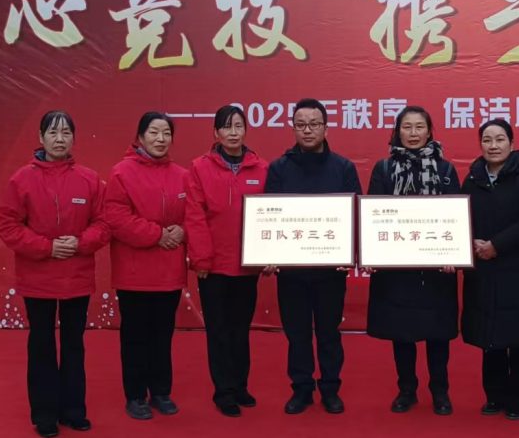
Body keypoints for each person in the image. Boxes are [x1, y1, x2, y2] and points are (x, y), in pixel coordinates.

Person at [0, 110, 109, 438]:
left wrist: (80, 242)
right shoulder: (22, 179)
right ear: (41, 138)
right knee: (42, 344)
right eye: (53, 133)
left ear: (74, 138)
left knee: (74, 344)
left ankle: (73, 410)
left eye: (66, 133)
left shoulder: (89, 179)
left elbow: (104, 223)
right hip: (38, 278)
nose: (60, 139)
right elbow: (7, 224)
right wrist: (46, 247)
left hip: (76, 275)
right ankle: (44, 414)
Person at [265, 98, 362, 415]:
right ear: (293, 128)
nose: (307, 130)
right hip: (291, 272)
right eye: (301, 125)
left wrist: (350, 252)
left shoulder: (343, 168)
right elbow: (268, 216)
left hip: (330, 270)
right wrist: (268, 253)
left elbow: (356, 214)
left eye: (314, 124)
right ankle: (302, 388)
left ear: (325, 128)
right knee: (297, 335)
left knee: (329, 333)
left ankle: (331, 388)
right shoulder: (278, 169)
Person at [365, 106, 460, 416]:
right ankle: (406, 390)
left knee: (438, 334)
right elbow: (373, 215)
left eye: (420, 127)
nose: (414, 133)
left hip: (436, 268)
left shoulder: (445, 170)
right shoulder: (384, 169)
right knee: (401, 332)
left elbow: (457, 218)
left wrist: (455, 254)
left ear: (430, 131)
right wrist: (370, 253)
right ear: (398, 131)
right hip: (397, 269)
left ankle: (440, 391)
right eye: (407, 127)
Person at [184, 105, 270, 417]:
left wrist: (267, 255)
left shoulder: (261, 168)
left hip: (247, 265)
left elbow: (271, 215)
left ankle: (240, 385)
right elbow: (194, 216)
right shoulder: (199, 168)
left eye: (238, 126)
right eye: (226, 127)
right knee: (219, 330)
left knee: (240, 328)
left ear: (246, 130)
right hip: (213, 267)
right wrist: (202, 259)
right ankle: (223, 391)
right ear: (216, 133)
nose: (233, 133)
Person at [460, 118, 519, 421]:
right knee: (490, 335)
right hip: (483, 268)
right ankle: (494, 396)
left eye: (499, 140)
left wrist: (496, 245)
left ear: (511, 143)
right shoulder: (473, 179)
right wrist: (469, 241)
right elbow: (460, 216)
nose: (493, 146)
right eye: (487, 140)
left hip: (518, 269)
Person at [104, 112, 189, 422]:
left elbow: (193, 213)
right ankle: (136, 395)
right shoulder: (121, 173)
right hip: (134, 273)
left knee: (163, 334)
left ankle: (161, 392)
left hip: (169, 272)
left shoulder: (182, 175)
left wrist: (183, 231)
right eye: (153, 132)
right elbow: (116, 218)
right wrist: (157, 235)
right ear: (140, 137)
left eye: (166, 133)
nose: (160, 139)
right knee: (136, 336)